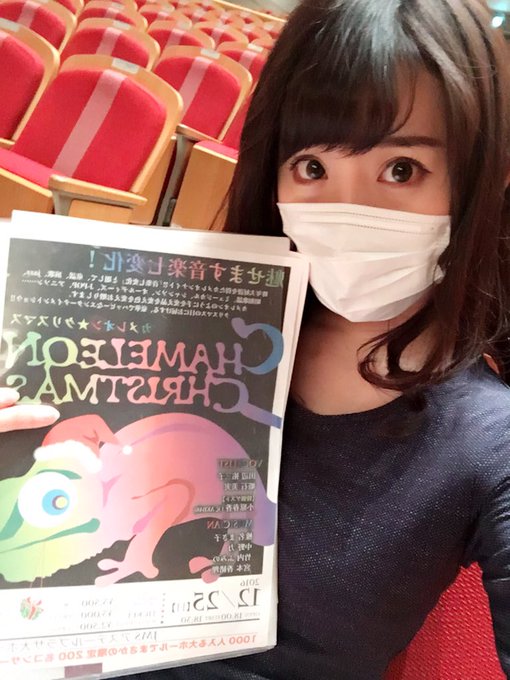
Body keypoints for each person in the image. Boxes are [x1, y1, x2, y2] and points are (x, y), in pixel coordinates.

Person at [2, 0, 510, 677]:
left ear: (483, 176)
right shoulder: (168, 332)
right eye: (311, 168)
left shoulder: (488, 442)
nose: (345, 210)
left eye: (401, 170)